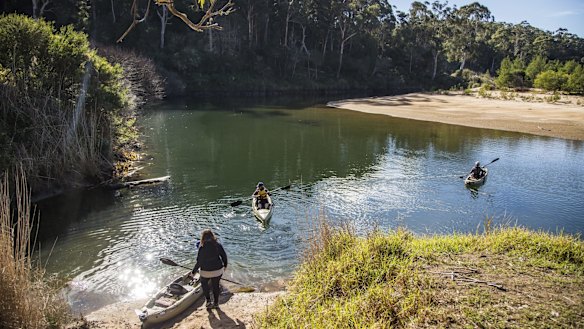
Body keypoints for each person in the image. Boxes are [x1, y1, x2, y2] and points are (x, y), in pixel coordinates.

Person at [190, 229, 228, 309]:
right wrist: (225, 266)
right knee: (216, 285)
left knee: (204, 284)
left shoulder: (201, 247)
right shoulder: (218, 245)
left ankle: (208, 301)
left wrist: (193, 272)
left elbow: (199, 262)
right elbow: (224, 257)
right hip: (217, 271)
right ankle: (216, 303)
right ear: (212, 236)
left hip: (205, 272)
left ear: (203, 238)